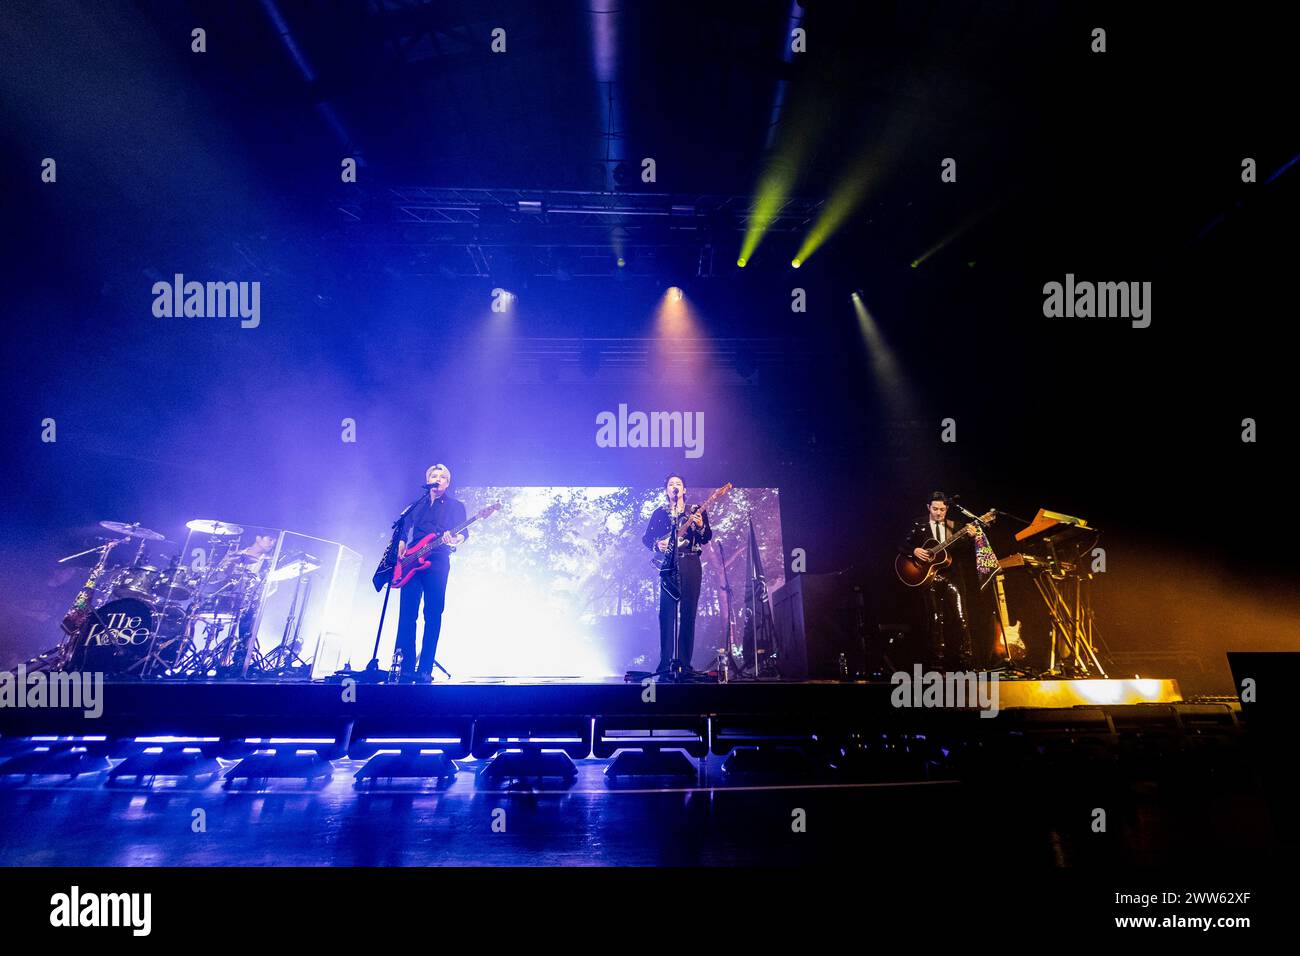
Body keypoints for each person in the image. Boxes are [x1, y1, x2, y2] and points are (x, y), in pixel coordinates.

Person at [394, 464, 467, 682]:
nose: (438, 479)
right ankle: (406, 667)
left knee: (432, 614)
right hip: (411, 561)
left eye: (442, 477)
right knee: (407, 614)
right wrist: (400, 542)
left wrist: (454, 539)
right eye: (433, 476)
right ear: (428, 480)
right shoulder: (416, 505)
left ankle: (425, 669)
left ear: (447, 482)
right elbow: (402, 526)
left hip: (437, 561)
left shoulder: (455, 506)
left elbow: (464, 533)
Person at [642, 474, 712, 675]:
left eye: (678, 484)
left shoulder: (696, 511)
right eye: (671, 484)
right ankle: (665, 665)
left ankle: (684, 665)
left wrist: (699, 526)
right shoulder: (659, 513)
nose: (675, 487)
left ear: (684, 490)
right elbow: (646, 539)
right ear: (666, 491)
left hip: (690, 562)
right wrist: (657, 544)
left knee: (688, 614)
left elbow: (706, 537)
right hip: (668, 565)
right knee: (666, 614)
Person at [897, 491, 975, 670]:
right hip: (929, 576)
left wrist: (971, 538)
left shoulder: (955, 526)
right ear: (928, 508)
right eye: (935, 509)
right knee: (934, 618)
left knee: (961, 616)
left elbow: (964, 551)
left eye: (942, 509)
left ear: (947, 509)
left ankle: (966, 661)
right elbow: (901, 544)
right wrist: (913, 551)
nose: (938, 513)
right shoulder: (919, 524)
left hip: (952, 575)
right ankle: (936, 663)